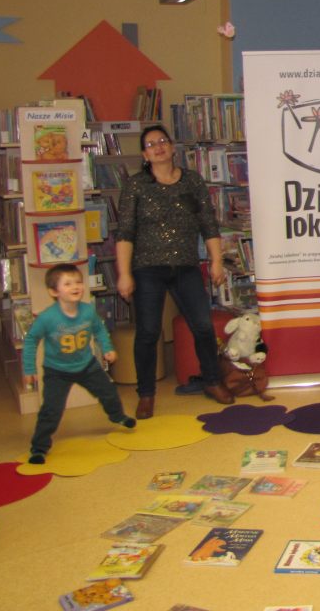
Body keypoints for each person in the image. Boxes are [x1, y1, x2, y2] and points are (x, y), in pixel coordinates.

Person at [116, 124, 233, 419]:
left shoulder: (192, 181)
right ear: (145, 154)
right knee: (148, 332)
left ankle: (212, 381)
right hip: (147, 268)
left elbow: (208, 224)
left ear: (171, 146)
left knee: (203, 326)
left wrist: (216, 261)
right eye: (151, 144)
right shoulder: (136, 186)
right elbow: (125, 232)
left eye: (162, 141)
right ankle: (146, 394)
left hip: (186, 266)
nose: (158, 147)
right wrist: (124, 273)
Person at [23, 264, 136, 464]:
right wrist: (29, 369)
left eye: (78, 282)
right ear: (54, 292)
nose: (75, 286)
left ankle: (117, 416)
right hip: (57, 371)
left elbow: (99, 329)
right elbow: (31, 340)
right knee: (51, 410)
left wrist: (107, 348)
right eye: (67, 284)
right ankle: (39, 448)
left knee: (108, 391)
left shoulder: (87, 311)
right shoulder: (47, 318)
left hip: (87, 365)